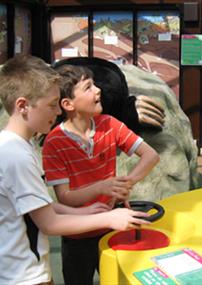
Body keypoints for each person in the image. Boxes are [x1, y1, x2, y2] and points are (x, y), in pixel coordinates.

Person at [0, 55, 152, 285]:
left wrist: (84, 212)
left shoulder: (18, 147)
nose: (57, 111)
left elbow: (35, 207)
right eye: (52, 105)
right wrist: (110, 218)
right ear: (23, 106)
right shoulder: (16, 155)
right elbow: (49, 223)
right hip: (23, 277)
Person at [42, 64, 160, 285]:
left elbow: (151, 156)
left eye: (95, 84)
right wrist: (102, 187)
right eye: (88, 87)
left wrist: (125, 184)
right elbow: (65, 197)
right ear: (68, 104)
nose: (98, 90)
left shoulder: (110, 124)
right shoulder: (54, 142)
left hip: (112, 229)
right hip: (77, 234)